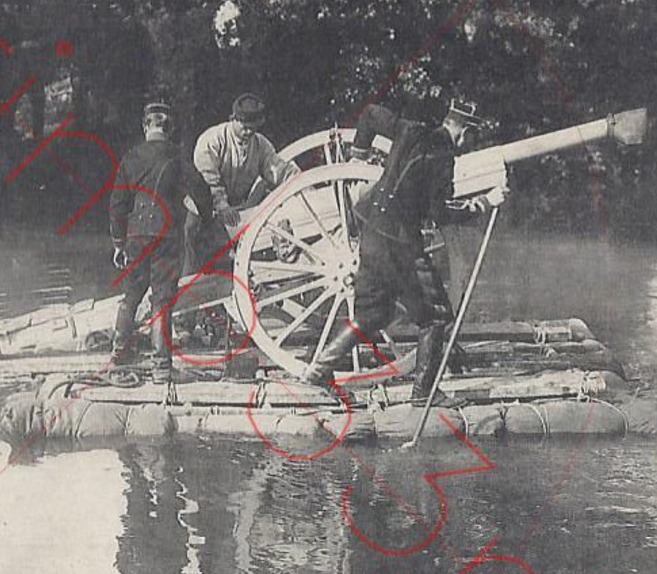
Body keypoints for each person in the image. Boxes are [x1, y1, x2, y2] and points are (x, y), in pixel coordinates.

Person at [303, 101, 506, 405]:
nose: (468, 144)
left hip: (371, 234)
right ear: (463, 131)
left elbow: (370, 113)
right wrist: (484, 202)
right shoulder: (443, 157)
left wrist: (359, 154)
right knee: (435, 316)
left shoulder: (410, 130)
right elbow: (441, 213)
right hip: (400, 245)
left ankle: (319, 372)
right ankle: (423, 394)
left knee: (371, 314)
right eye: (470, 136)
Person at [109, 103, 220, 383]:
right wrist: (207, 219)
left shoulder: (131, 157)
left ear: (145, 127)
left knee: (131, 294)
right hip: (167, 235)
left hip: (135, 235)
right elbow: (201, 191)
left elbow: (118, 204)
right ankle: (161, 367)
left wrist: (119, 242)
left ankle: (119, 354)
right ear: (168, 128)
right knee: (162, 299)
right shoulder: (177, 156)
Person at [192, 93, 299, 231]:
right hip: (202, 212)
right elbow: (208, 180)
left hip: (236, 212)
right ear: (233, 119)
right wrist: (222, 206)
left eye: (253, 129)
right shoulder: (212, 140)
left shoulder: (260, 144)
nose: (249, 132)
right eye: (245, 127)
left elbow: (277, 170)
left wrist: (301, 183)